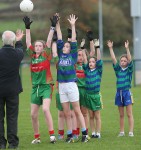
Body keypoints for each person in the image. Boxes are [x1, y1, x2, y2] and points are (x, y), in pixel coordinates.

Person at [52, 13, 89, 143]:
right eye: (64, 46)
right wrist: (57, 23)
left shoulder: (73, 57)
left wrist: (73, 25)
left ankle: (84, 134)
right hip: (62, 85)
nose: (66, 47)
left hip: (71, 85)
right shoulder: (60, 56)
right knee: (67, 113)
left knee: (77, 110)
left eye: (68, 46)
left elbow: (73, 40)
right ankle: (69, 135)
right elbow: (59, 36)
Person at [23, 15, 58, 144]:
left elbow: (49, 41)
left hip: (46, 86)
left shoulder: (46, 55)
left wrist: (52, 27)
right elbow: (27, 42)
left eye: (39, 46)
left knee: (45, 109)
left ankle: (52, 135)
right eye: (36, 46)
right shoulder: (32, 56)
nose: (37, 47)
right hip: (35, 88)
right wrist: (27, 28)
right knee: (33, 115)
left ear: (43, 48)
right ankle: (37, 137)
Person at [0, 29, 24, 149]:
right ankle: (13, 143)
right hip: (13, 91)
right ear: (13, 41)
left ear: (2, 41)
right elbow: (20, 48)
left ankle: (1, 143)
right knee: (12, 117)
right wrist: (18, 40)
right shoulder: (17, 54)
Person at [107, 40, 134, 137]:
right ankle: (122, 132)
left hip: (127, 93)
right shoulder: (118, 70)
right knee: (121, 115)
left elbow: (130, 59)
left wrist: (127, 49)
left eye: (124, 61)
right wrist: (110, 48)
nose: (122, 62)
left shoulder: (129, 70)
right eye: (121, 60)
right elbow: (114, 59)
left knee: (129, 114)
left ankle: (131, 132)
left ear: (127, 62)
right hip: (119, 93)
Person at [76, 31, 96, 136]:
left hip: (84, 90)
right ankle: (76, 132)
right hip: (75, 90)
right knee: (76, 112)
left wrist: (91, 41)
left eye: (81, 55)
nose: (80, 57)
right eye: (78, 55)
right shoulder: (73, 65)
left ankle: (86, 131)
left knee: (84, 112)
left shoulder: (87, 65)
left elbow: (92, 52)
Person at [82, 39, 103, 138]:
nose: (91, 63)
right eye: (90, 62)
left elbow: (99, 59)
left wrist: (97, 47)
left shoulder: (98, 70)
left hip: (96, 95)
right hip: (88, 95)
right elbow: (85, 59)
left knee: (97, 116)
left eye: (93, 62)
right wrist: (82, 48)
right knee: (91, 116)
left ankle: (98, 133)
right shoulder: (86, 70)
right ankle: (93, 132)